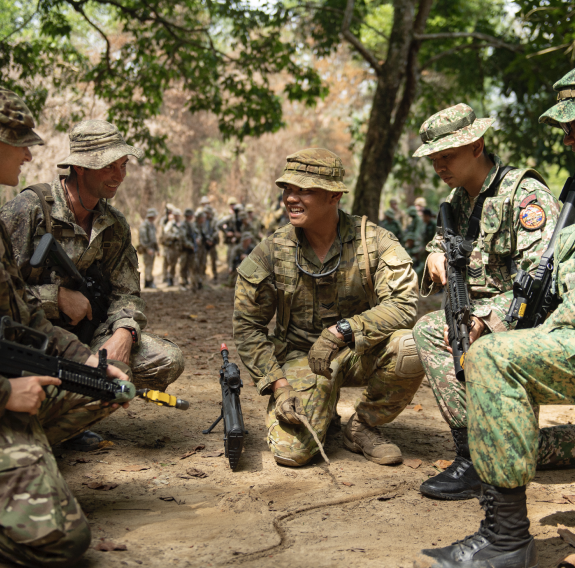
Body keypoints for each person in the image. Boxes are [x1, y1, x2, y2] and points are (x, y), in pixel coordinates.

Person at [415, 69, 575, 568]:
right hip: (545, 322)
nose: (439, 166)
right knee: (430, 331)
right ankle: (475, 457)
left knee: (490, 357)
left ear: (478, 145)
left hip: (523, 318)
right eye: (433, 159)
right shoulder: (460, 203)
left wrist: (492, 322)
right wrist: (434, 255)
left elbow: (536, 283)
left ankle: (505, 535)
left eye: (447, 156)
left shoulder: (527, 196)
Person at [0, 86, 129, 567]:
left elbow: (21, 317)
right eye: (17, 139)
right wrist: (6, 396)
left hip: (18, 368)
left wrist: (89, 359)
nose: (30, 152)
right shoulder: (23, 210)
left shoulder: (114, 222)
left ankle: (32, 450)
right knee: (62, 541)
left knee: (109, 384)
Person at [233, 148, 424, 467]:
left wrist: (343, 332)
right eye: (287, 190)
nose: (291, 198)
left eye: (303, 190)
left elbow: (404, 304)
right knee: (292, 453)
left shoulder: (373, 241)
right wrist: (279, 386)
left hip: (360, 353)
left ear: (334, 195)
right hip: (300, 360)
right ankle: (322, 406)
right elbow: (247, 326)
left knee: (411, 346)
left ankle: (364, 427)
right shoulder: (273, 251)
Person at [0, 119, 184, 408]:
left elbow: (127, 293)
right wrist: (55, 298)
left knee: (164, 359)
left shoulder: (114, 224)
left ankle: (70, 407)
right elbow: (7, 298)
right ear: (80, 167)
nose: (119, 175)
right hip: (31, 338)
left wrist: (124, 331)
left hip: (87, 336)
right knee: (104, 380)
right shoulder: (28, 210)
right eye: (108, 166)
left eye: (123, 165)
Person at [218, 197, 243, 266]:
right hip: (230, 239)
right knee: (230, 255)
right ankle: (230, 270)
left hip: (240, 238)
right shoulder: (227, 215)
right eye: (231, 204)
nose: (232, 205)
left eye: (234, 204)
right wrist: (226, 232)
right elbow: (219, 223)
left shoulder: (241, 215)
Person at [161, 208, 183, 287]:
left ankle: (183, 279)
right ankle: (170, 279)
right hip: (172, 247)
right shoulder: (170, 224)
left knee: (182, 264)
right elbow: (166, 234)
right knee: (172, 264)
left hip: (181, 247)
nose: (177, 217)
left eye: (178, 215)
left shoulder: (182, 224)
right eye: (175, 215)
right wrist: (175, 236)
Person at [138, 207, 159, 288]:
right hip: (147, 249)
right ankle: (148, 282)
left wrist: (157, 249)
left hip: (152, 248)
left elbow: (154, 238)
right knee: (148, 265)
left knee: (151, 265)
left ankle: (149, 281)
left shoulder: (151, 225)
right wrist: (147, 249)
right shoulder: (144, 225)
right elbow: (143, 239)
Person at [180, 208, 198, 290]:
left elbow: (196, 234)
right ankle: (183, 283)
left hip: (192, 249)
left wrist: (198, 240)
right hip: (185, 249)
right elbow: (183, 238)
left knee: (193, 265)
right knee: (184, 266)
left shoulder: (192, 224)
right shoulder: (183, 225)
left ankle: (193, 283)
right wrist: (190, 245)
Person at [202, 203, 219, 282]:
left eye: (207, 213)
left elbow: (216, 231)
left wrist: (211, 240)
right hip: (205, 243)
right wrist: (206, 240)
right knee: (203, 260)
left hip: (212, 243)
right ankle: (203, 276)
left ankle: (215, 276)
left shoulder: (214, 221)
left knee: (213, 260)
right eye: (205, 213)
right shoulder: (203, 220)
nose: (206, 214)